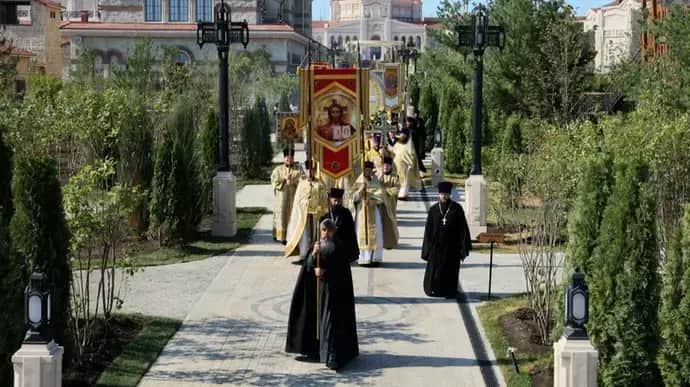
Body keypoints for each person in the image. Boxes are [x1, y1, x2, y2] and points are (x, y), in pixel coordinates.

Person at [286, 219, 359, 370]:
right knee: (315, 321)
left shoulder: (338, 248)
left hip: (334, 293)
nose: (326, 234)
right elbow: (307, 267)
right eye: (324, 231)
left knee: (331, 322)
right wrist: (313, 255)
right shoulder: (316, 246)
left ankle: (332, 355)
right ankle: (315, 350)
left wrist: (325, 272)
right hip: (316, 292)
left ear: (334, 232)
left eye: (329, 231)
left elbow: (342, 272)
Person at [421, 181, 472, 298]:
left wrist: (463, 247)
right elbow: (428, 230)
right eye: (442, 194)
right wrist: (427, 249)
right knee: (436, 270)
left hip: (452, 247)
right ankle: (434, 289)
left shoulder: (456, 209)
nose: (444, 196)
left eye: (446, 194)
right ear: (439, 194)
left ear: (449, 194)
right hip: (436, 247)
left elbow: (463, 229)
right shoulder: (434, 210)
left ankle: (449, 291)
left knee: (450, 271)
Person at [351, 161, 398, 265]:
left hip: (374, 210)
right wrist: (360, 191)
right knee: (361, 234)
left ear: (371, 170)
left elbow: (382, 196)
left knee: (376, 234)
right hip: (362, 211)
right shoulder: (359, 181)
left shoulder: (376, 181)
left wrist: (373, 200)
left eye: (369, 170)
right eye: (365, 170)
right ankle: (364, 258)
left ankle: (375, 258)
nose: (367, 171)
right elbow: (353, 198)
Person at [285, 160, 329, 261]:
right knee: (304, 235)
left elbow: (323, 199)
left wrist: (319, 208)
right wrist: (305, 204)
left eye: (313, 170)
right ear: (306, 170)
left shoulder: (320, 184)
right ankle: (304, 254)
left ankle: (316, 254)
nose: (310, 172)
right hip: (304, 214)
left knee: (316, 234)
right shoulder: (302, 184)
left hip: (316, 215)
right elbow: (298, 200)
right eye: (309, 170)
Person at [319, 188, 359, 262]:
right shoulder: (325, 213)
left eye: (339, 201)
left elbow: (351, 233)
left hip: (342, 246)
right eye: (335, 201)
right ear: (330, 200)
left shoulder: (346, 213)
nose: (337, 203)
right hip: (327, 244)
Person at [271, 148, 301, 243]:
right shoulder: (278, 169)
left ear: (293, 158)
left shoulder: (298, 169)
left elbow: (302, 181)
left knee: (292, 215)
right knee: (281, 215)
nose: (289, 160)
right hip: (281, 197)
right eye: (287, 158)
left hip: (293, 197)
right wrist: (284, 178)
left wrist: (292, 181)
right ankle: (281, 236)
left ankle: (291, 235)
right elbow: (273, 181)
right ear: (284, 158)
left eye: (291, 158)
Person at [390, 128, 421, 200]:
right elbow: (394, 151)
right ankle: (397, 193)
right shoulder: (398, 143)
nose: (401, 136)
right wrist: (388, 148)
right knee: (397, 181)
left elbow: (412, 156)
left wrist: (410, 165)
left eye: (403, 134)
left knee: (404, 182)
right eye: (400, 134)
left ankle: (403, 195)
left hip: (405, 167)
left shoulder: (409, 145)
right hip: (396, 166)